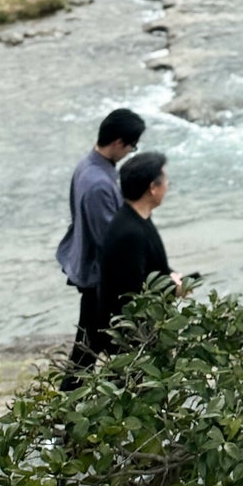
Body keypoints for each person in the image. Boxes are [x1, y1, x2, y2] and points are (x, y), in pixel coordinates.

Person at [56, 106, 145, 386]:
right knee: (132, 359)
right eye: (132, 146)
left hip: (90, 275)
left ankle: (65, 416)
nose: (131, 151)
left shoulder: (88, 167)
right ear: (118, 142)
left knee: (85, 355)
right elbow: (111, 242)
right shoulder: (98, 184)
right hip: (102, 283)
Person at [94, 150, 179, 351]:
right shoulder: (129, 232)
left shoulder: (138, 218)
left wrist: (171, 275)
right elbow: (132, 292)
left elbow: (150, 266)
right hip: (131, 340)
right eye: (165, 181)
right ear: (153, 188)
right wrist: (174, 287)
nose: (167, 186)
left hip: (143, 332)